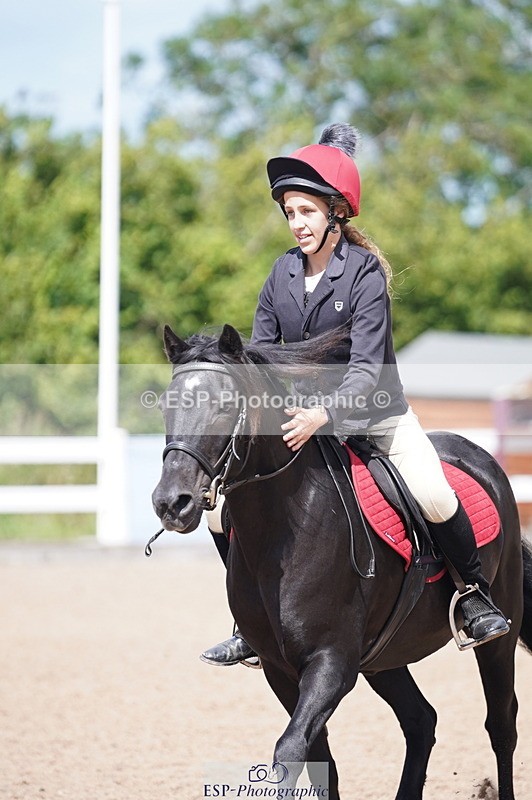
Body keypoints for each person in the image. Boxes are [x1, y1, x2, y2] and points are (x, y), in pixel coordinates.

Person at [200, 123, 509, 667]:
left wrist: (324, 413)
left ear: (336, 212)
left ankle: (472, 595)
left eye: (307, 211)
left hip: (374, 415)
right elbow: (262, 358)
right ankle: (253, 622)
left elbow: (367, 371)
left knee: (434, 494)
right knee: (219, 512)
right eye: (290, 213)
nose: (297, 223)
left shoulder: (364, 275)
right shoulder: (280, 274)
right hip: (302, 420)